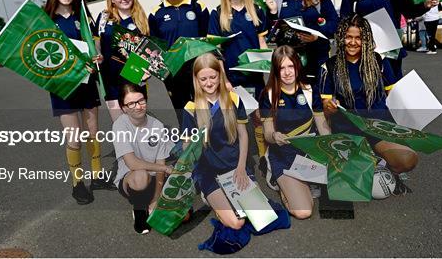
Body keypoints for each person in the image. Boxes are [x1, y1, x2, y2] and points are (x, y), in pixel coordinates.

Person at [0, 0, 113, 204]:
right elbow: (20, 50)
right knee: (75, 137)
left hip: (87, 81)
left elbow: (95, 46)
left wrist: (98, 56)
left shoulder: (83, 16)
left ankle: (97, 174)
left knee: (92, 131)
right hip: (62, 85)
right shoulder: (44, 19)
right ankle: (78, 183)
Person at [321, 15, 418, 192]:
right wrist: (330, 106)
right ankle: (370, 162)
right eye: (348, 37)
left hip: (378, 127)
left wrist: (406, 125)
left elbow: (394, 94)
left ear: (366, 39)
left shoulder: (379, 61)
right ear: (341, 37)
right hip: (349, 131)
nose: (353, 42)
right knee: (348, 187)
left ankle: (383, 165)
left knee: (408, 159)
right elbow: (325, 106)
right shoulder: (330, 65)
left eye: (358, 37)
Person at [259, 45, 331, 219]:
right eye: (281, 68)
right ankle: (276, 177)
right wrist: (274, 136)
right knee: (303, 211)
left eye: (290, 66)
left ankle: (306, 181)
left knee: (344, 180)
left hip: (309, 155)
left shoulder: (310, 90)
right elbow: (268, 133)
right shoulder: (268, 95)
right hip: (284, 156)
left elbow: (321, 124)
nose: (287, 72)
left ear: (297, 66)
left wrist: (332, 150)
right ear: (275, 71)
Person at [181, 52, 252, 230]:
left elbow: (243, 135)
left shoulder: (234, 99)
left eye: (213, 77)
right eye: (203, 79)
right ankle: (210, 194)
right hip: (209, 170)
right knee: (237, 223)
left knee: (256, 216)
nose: (209, 82)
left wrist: (242, 167)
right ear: (196, 80)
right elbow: (187, 147)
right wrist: (189, 145)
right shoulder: (190, 109)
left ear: (220, 75)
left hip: (236, 165)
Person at [208, 0, 269, 160]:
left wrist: (268, 67)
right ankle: (236, 161)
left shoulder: (257, 10)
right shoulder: (217, 14)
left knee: (259, 118)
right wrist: (224, 80)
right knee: (233, 122)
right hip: (231, 79)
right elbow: (216, 52)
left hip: (254, 76)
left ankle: (263, 157)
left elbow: (262, 42)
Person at [148, 0, 210, 126]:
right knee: (184, 115)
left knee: (206, 111)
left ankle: (212, 146)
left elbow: (208, 40)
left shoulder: (197, 6)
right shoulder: (155, 14)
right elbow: (156, 50)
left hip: (200, 70)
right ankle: (190, 148)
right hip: (174, 75)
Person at [264, 0, 339, 84]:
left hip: (318, 60)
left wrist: (316, 36)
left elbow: (335, 23)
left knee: (319, 101)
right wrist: (272, 12)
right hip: (289, 66)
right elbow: (270, 32)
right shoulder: (277, 0)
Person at [112, 83, 174, 234]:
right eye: (131, 103)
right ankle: (139, 210)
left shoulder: (157, 126)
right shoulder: (120, 125)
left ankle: (150, 201)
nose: (138, 107)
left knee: (184, 216)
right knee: (140, 175)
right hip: (131, 180)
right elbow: (132, 163)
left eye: (141, 101)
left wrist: (156, 199)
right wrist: (165, 168)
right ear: (123, 107)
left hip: (155, 179)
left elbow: (161, 161)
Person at [96, 0, 150, 122]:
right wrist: (97, 56)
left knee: (139, 127)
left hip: (135, 80)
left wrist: (145, 71)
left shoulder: (140, 19)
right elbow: (97, 46)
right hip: (111, 82)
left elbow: (149, 52)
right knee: (121, 127)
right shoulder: (103, 18)